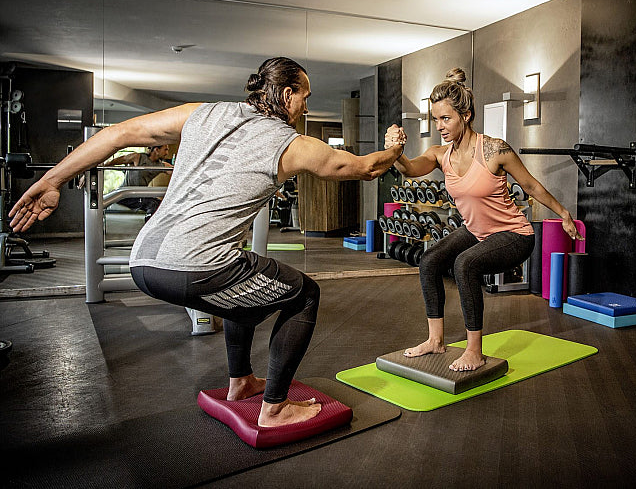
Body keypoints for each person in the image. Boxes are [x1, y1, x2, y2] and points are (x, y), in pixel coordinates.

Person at [10, 57, 405, 427]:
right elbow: (367, 168)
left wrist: (51, 180)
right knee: (304, 295)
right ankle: (275, 408)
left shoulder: (202, 112)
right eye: (305, 96)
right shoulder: (293, 145)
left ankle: (241, 383)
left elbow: (118, 133)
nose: (305, 105)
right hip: (196, 268)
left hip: (144, 261)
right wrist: (395, 148)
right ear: (287, 95)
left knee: (246, 284)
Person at [384, 67, 582, 372]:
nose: (440, 126)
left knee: (465, 264)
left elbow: (530, 185)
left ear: (466, 115)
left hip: (514, 235)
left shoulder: (493, 149)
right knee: (430, 261)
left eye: (445, 118)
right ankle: (435, 340)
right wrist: (395, 150)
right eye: (436, 119)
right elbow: (410, 169)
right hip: (477, 231)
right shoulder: (440, 154)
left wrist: (564, 213)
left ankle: (474, 351)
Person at [104, 144, 172, 216]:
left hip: (140, 196)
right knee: (153, 204)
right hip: (126, 196)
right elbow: (121, 160)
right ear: (157, 150)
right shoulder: (137, 157)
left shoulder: (161, 165)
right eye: (165, 150)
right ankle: (149, 226)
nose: (167, 153)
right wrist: (105, 165)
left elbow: (174, 170)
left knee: (162, 204)